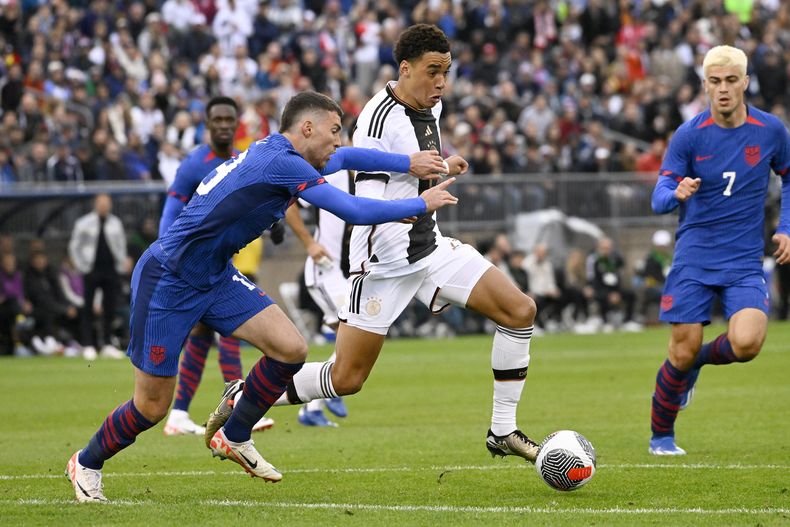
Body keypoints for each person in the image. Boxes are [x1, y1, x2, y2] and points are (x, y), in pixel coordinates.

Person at [65, 90, 457, 502]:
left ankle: (234, 435)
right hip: (169, 279)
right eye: (335, 131)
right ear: (307, 128)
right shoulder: (282, 163)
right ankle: (86, 462)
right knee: (152, 406)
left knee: (290, 349)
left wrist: (408, 163)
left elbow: (347, 159)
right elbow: (351, 209)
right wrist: (420, 201)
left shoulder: (285, 154)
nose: (339, 141)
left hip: (214, 275)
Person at [259, 24, 540, 465]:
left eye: (446, 72)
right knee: (347, 377)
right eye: (433, 72)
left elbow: (411, 169)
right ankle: (247, 393)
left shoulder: (434, 104)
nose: (441, 83)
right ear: (405, 68)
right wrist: (420, 199)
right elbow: (364, 207)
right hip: (382, 262)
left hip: (429, 250)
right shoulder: (376, 119)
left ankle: (502, 430)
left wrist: (444, 165)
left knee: (520, 310)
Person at [648, 45, 790, 456]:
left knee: (747, 343)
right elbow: (659, 196)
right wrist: (675, 192)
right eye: (715, 82)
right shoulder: (690, 134)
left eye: (731, 81)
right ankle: (662, 437)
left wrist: (785, 228)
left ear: (745, 82)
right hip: (694, 257)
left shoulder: (772, 131)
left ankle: (697, 366)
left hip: (744, 261)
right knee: (681, 349)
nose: (723, 90)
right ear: (704, 85)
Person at [68, 194, 130, 361]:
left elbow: (121, 245)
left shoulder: (115, 223)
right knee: (88, 308)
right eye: (101, 204)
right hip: (91, 269)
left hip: (110, 270)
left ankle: (107, 344)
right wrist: (81, 266)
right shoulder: (83, 223)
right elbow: (75, 246)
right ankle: (88, 344)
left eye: (106, 204)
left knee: (109, 307)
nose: (104, 207)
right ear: (96, 204)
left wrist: (122, 261)